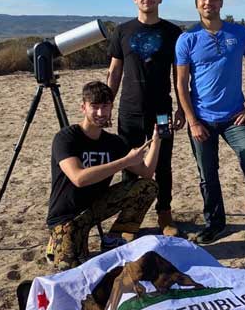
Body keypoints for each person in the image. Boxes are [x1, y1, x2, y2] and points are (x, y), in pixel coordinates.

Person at [175, 0, 245, 257]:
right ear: (196, 3)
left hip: (235, 117)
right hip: (202, 119)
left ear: (221, 1)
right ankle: (215, 223)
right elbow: (181, 84)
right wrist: (193, 121)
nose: (209, 2)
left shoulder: (238, 33)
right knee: (207, 174)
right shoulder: (187, 39)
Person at [46, 81, 160, 270]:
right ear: (83, 107)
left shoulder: (113, 142)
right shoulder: (66, 137)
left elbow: (146, 172)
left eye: (105, 106)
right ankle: (57, 240)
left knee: (147, 187)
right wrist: (125, 161)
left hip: (96, 208)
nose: (100, 112)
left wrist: (156, 141)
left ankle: (114, 238)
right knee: (71, 269)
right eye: (95, 107)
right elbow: (79, 178)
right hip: (67, 217)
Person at [107, 0, 184, 237]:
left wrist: (181, 108)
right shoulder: (122, 31)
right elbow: (114, 72)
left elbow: (179, 75)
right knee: (130, 163)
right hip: (129, 110)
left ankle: (165, 214)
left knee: (163, 163)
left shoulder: (172, 33)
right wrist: (108, 103)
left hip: (161, 110)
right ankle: (130, 219)